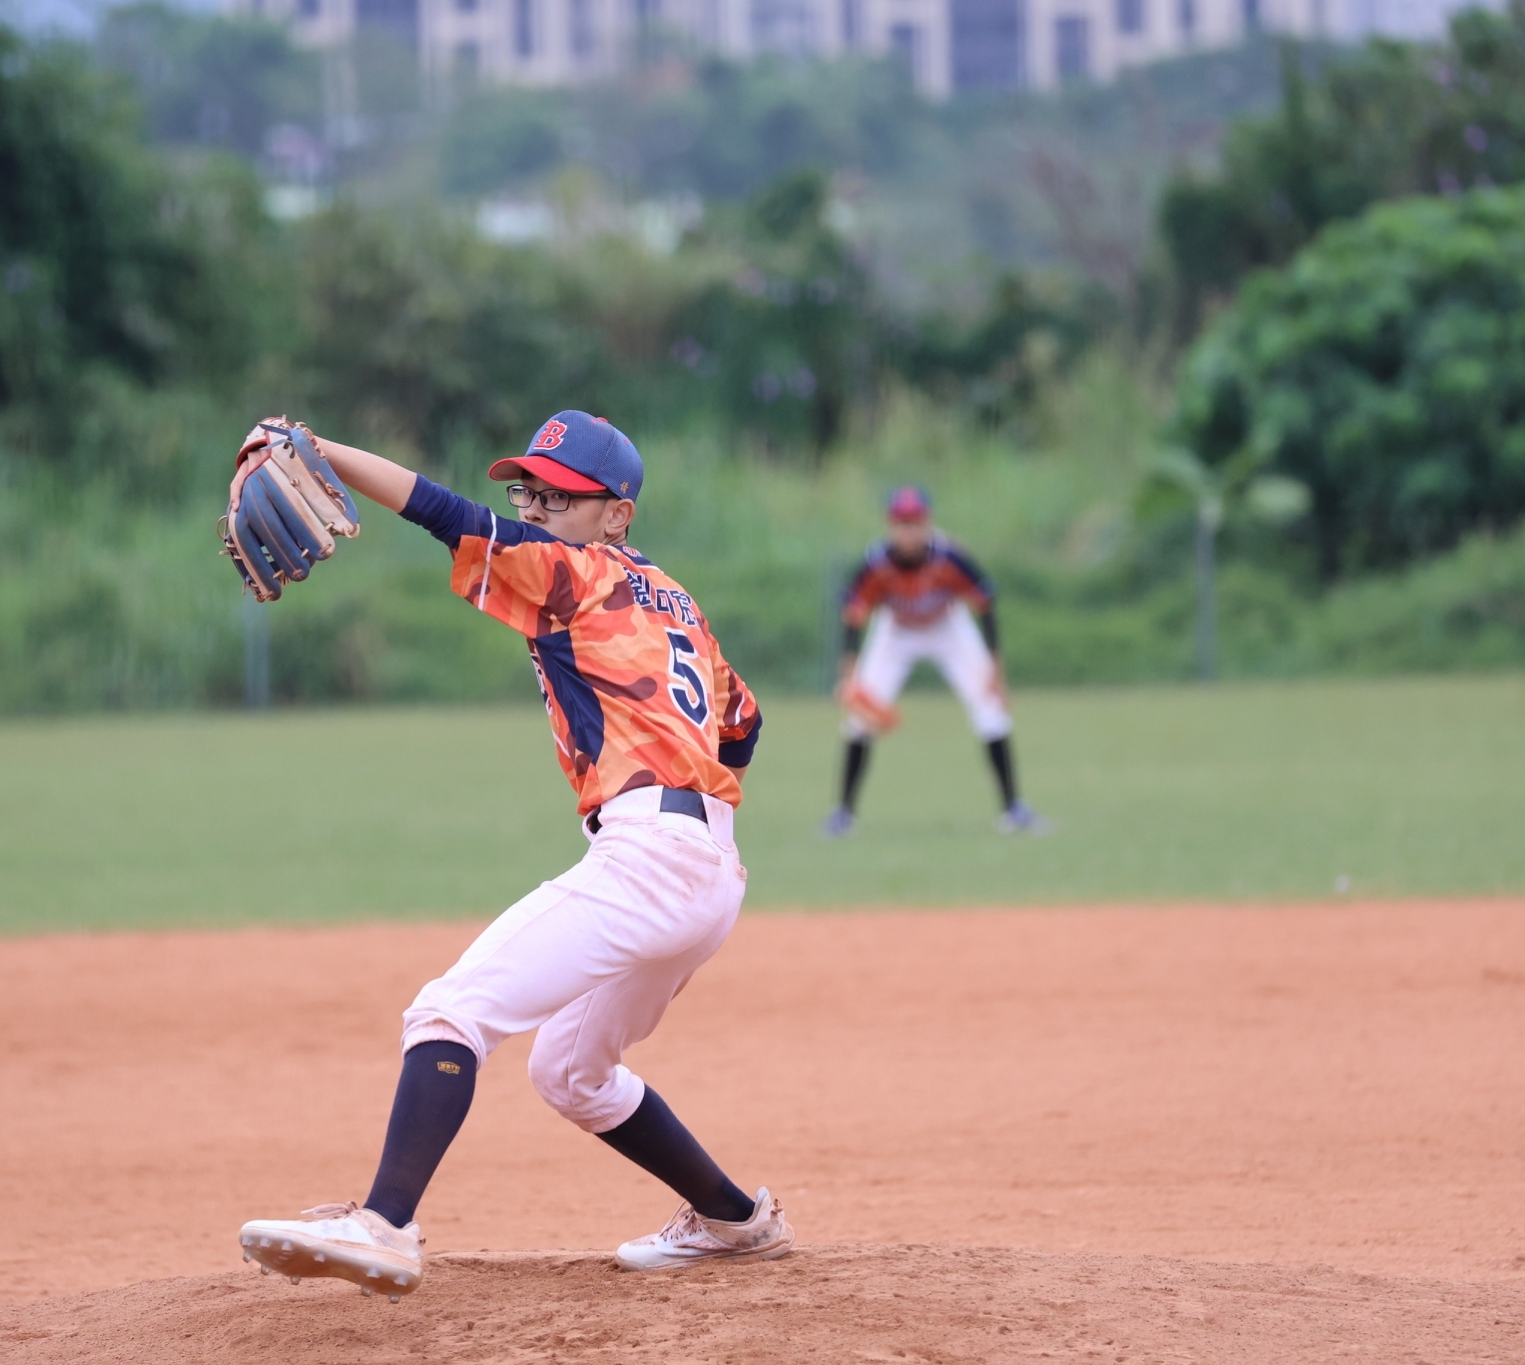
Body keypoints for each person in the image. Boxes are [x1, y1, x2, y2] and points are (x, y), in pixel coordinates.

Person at [236, 411, 792, 1301]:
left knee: (450, 1009)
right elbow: (743, 725)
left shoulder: (572, 570)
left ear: (616, 514)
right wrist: (702, 826)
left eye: (561, 496)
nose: (536, 507)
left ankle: (384, 1223)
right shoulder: (675, 598)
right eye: (530, 490)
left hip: (651, 855)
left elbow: (443, 511)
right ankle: (736, 1220)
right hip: (710, 871)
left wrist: (322, 450)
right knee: (569, 1071)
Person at [823, 485, 1044, 837]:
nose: (908, 530)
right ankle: (843, 815)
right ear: (890, 525)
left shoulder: (949, 557)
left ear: (927, 523)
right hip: (895, 631)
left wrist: (995, 668)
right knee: (860, 718)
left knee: (991, 711)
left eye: (915, 522)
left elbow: (985, 602)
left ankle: (1014, 810)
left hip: (948, 627)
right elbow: (854, 613)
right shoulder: (876, 564)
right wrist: (849, 672)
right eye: (901, 522)